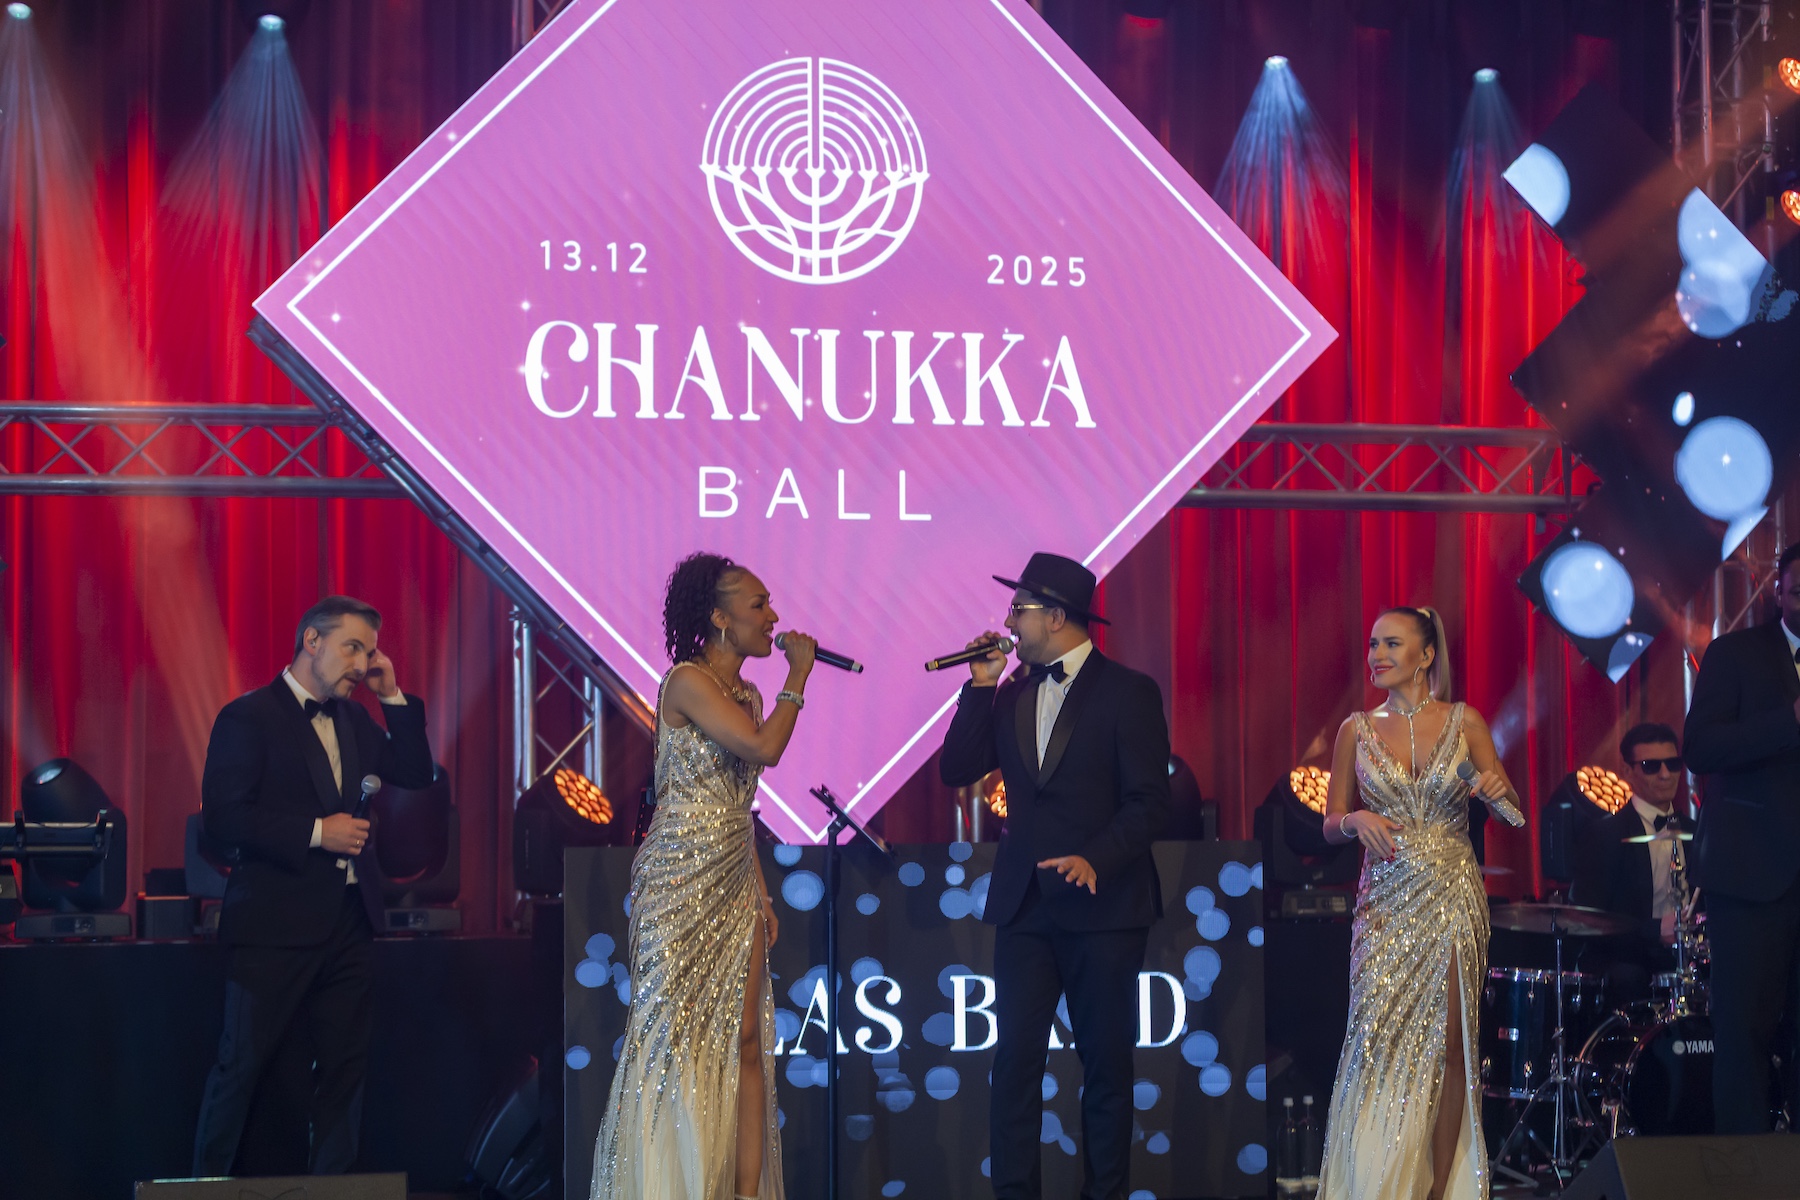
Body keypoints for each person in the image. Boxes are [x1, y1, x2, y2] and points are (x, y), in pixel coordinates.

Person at [939, 551, 1170, 1200]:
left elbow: (1149, 801)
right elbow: (956, 768)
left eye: (1019, 609)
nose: (1008, 621)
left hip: (1103, 904)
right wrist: (980, 686)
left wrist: (1097, 856)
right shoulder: (1011, 692)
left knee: (1105, 1067)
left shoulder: (1128, 691)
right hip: (1025, 906)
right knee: (1014, 1063)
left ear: (1057, 617)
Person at [591, 552, 815, 1200]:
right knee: (676, 1039)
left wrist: (761, 890)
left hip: (733, 874)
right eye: (758, 605)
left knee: (745, 1038)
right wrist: (798, 677)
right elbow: (764, 749)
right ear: (719, 618)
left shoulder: (746, 695)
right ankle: (673, 1185)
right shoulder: (688, 681)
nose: (772, 617)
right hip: (678, 880)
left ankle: (743, 1192)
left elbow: (738, 805)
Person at [192, 595, 434, 1176]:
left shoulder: (355, 719)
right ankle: (206, 1185)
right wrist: (318, 832)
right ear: (312, 641)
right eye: (352, 647)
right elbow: (222, 818)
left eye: (370, 651)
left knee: (345, 1070)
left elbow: (415, 771)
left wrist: (391, 696)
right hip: (273, 924)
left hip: (349, 921)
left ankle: (332, 1188)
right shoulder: (248, 717)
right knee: (242, 1066)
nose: (362, 663)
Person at [1315, 606, 1519, 1200]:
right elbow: (1329, 821)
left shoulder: (1465, 720)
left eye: (1392, 644)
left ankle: (1439, 1190)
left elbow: (1511, 811)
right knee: (1376, 1043)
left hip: (1453, 894)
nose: (1377, 655)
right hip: (1385, 901)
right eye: (1373, 644)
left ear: (1426, 655)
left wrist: (1497, 791)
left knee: (1453, 1046)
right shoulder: (1355, 729)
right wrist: (1354, 820)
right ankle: (1375, 1182)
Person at [1686, 542, 1800, 1134]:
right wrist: (1789, 722)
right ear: (1779, 591)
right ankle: (1743, 1172)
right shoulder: (1735, 653)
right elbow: (1700, 748)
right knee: (1744, 1035)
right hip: (1753, 875)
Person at [1570, 723, 1690, 1002]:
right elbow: (1588, 920)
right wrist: (1654, 931)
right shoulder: (1603, 834)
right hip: (1629, 959)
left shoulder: (1697, 831)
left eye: (1673, 764)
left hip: (1686, 957)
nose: (1665, 774)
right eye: (1651, 766)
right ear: (1627, 771)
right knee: (1628, 977)